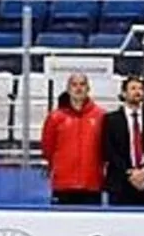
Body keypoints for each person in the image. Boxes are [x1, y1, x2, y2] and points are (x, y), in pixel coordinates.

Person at [41, 73, 105, 206]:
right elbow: (48, 148)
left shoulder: (101, 116)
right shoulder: (55, 117)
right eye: (74, 85)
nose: (78, 88)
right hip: (63, 185)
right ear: (68, 89)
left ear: (88, 88)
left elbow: (105, 148)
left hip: (91, 184)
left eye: (82, 84)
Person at [102, 75, 144, 207]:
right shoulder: (111, 120)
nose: (137, 92)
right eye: (133, 88)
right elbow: (109, 150)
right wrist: (130, 173)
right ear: (124, 93)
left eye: (140, 89)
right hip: (120, 182)